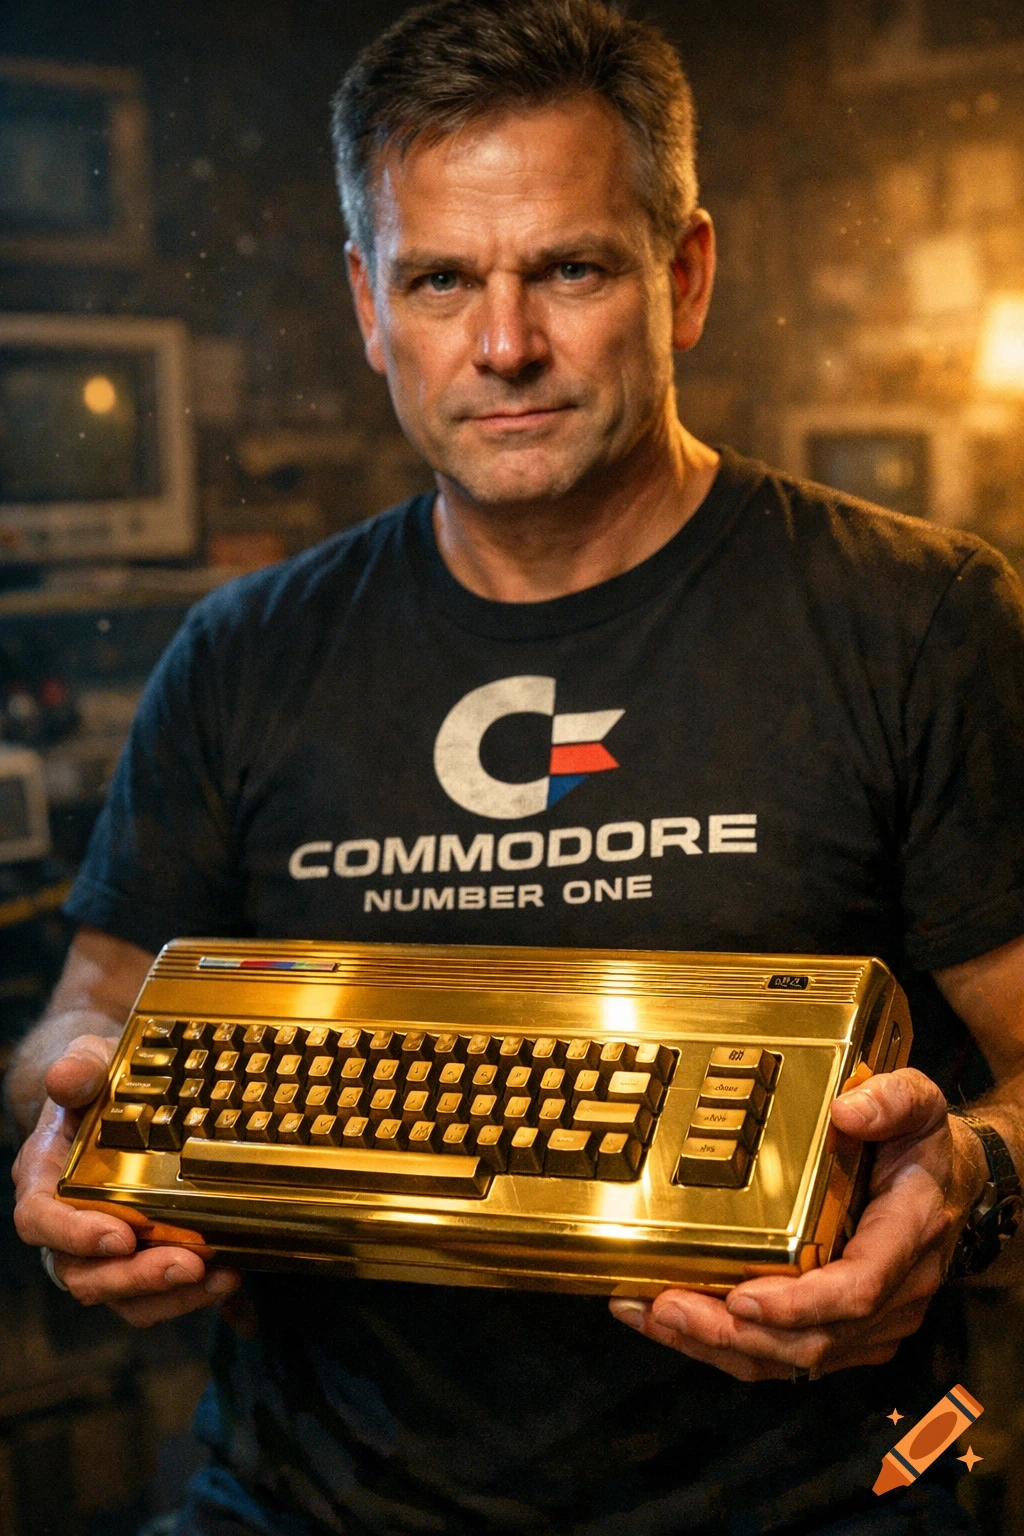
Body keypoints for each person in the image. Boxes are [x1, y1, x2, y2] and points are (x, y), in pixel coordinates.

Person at [8, 1, 1024, 1532]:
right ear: (368, 302)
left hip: (809, 1496)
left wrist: (966, 1190)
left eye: (570, 266)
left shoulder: (920, 620)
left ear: (683, 277)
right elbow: (89, 1002)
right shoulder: (242, 653)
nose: (504, 345)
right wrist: (64, 1128)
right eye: (439, 280)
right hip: (303, 1500)